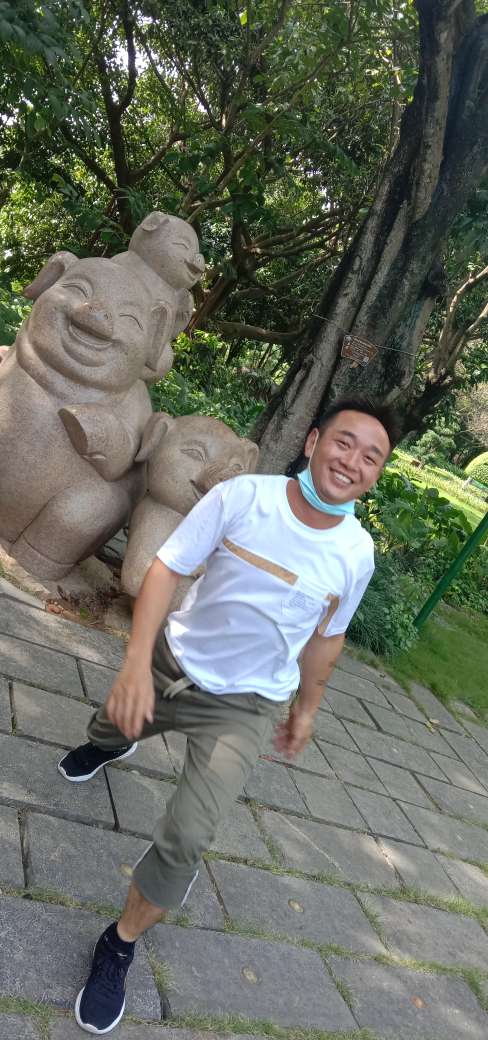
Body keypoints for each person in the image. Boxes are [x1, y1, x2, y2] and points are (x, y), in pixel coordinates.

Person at [58, 395, 401, 1035]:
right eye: (344, 442)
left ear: (376, 474)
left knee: (188, 836)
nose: (352, 461)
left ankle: (120, 942)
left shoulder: (356, 553)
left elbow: (328, 637)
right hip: (173, 663)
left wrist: (307, 709)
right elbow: (167, 568)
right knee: (110, 724)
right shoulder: (244, 498)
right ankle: (110, 742)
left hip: (247, 705)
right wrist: (134, 664)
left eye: (371, 457)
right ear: (313, 441)